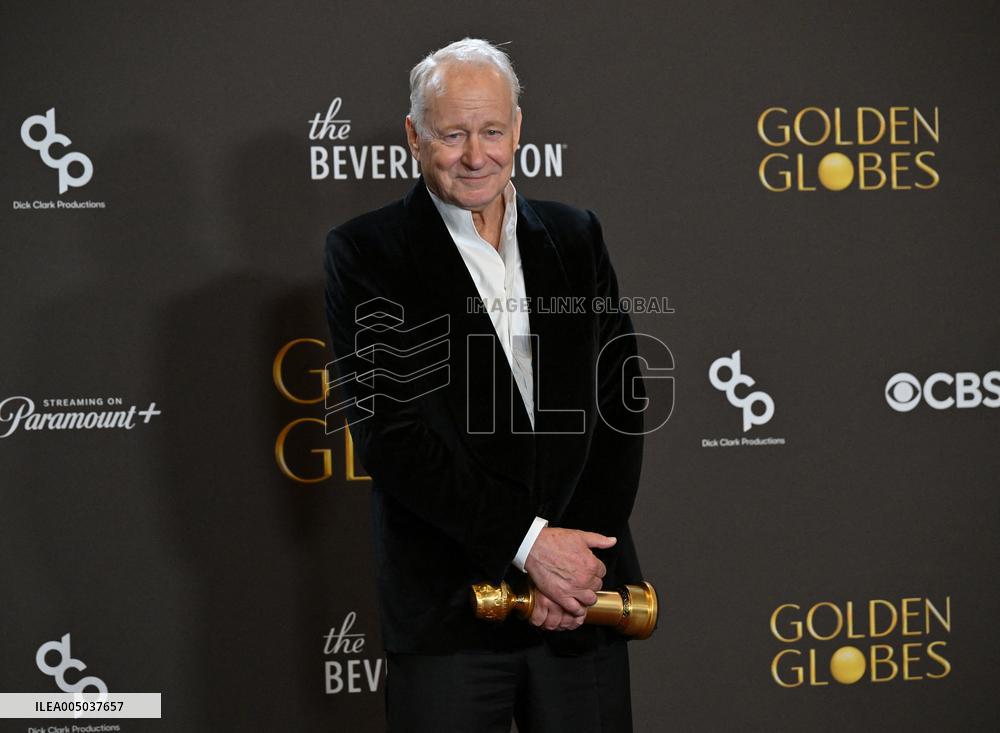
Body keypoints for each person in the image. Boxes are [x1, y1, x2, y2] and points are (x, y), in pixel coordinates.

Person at [323, 38, 646, 733]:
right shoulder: (368, 252)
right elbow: (394, 438)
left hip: (583, 605)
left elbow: (621, 403)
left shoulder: (576, 235)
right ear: (415, 136)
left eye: (493, 131)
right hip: (450, 611)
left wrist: (577, 561)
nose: (477, 155)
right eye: (453, 135)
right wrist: (530, 546)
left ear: (519, 129)